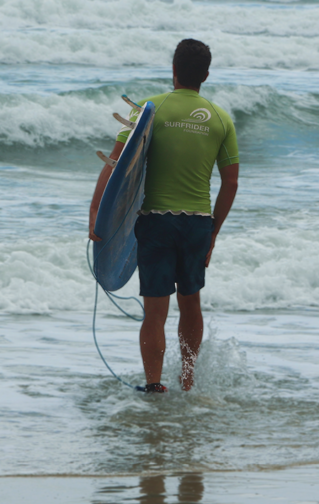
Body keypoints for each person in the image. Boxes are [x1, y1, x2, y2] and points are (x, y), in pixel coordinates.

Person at [89, 39, 239, 393]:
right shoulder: (221, 118)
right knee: (191, 302)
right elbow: (230, 183)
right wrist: (213, 231)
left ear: (173, 71)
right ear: (205, 75)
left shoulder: (149, 109)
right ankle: (187, 380)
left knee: (155, 310)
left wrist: (97, 211)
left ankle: (155, 385)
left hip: (156, 220)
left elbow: (116, 164)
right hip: (198, 222)